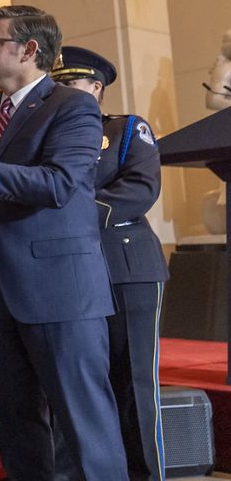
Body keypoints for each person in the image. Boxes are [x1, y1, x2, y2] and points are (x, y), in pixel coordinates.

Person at [0, 5, 126, 480]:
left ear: (30, 49)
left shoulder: (73, 106)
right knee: (16, 425)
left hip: (61, 290)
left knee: (84, 426)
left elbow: (58, 184)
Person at [53, 46, 167, 481]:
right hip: (69, 269)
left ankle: (142, 475)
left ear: (95, 88)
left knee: (133, 380)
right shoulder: (48, 136)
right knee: (76, 381)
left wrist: (67, 213)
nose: (58, 91)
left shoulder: (125, 129)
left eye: (69, 83)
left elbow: (139, 189)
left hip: (126, 267)